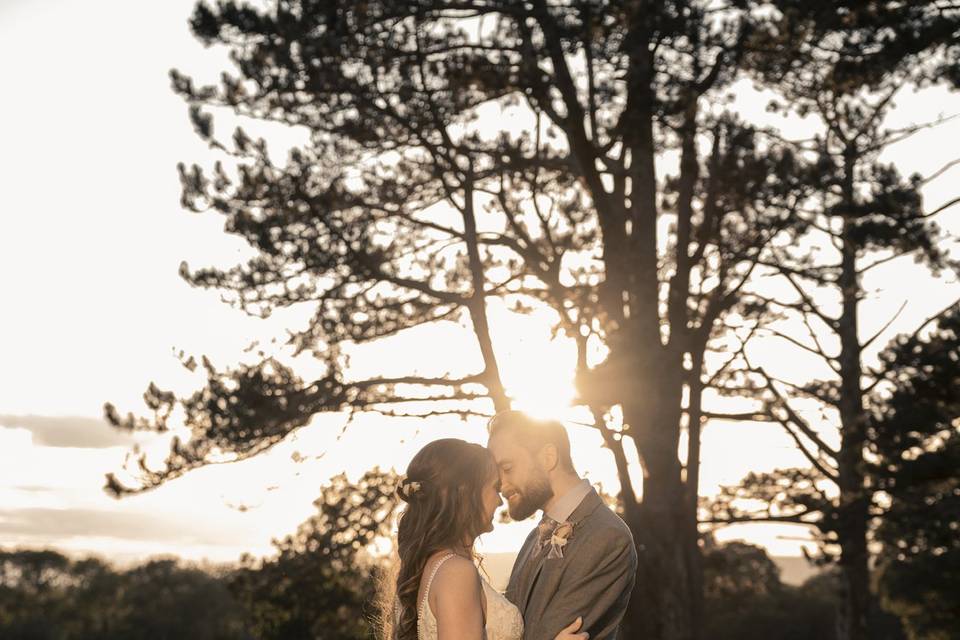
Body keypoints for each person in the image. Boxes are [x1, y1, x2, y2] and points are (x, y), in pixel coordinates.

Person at [386, 438, 588, 640]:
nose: (500, 501)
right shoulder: (456, 572)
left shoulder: (431, 567)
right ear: (466, 492)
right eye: (494, 488)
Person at [487, 411, 637, 640]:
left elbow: (548, 633)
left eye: (507, 468)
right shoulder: (534, 538)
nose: (500, 484)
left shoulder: (607, 536)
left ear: (548, 457)